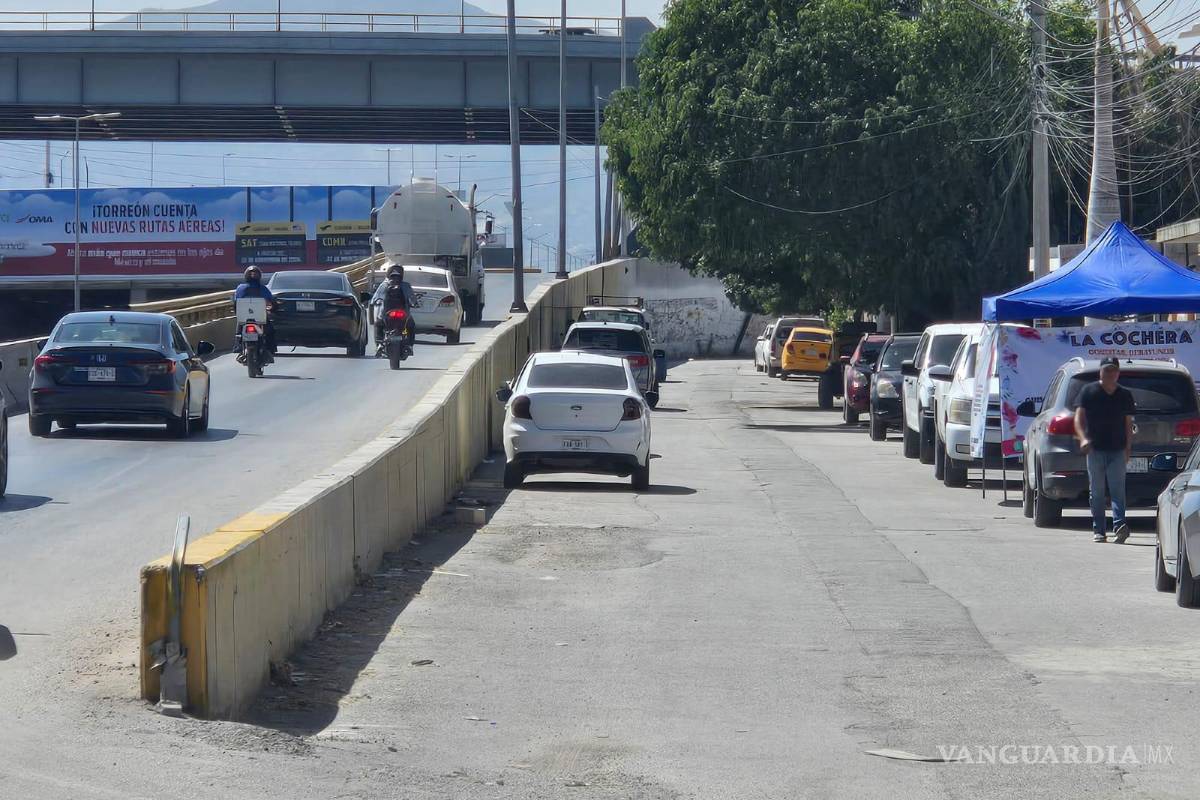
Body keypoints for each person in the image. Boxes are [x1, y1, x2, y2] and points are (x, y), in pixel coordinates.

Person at [1074, 357, 1136, 543]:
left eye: (1113, 370)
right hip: (1095, 449)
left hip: (1117, 450)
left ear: (1118, 373)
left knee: (1118, 490)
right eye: (1106, 370)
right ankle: (1099, 530)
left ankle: (1119, 526)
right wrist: (1083, 438)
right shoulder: (1089, 391)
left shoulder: (1124, 395)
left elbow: (1128, 423)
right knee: (1097, 491)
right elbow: (1078, 419)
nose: (1110, 374)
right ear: (1100, 372)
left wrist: (1128, 447)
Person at [233, 265, 276, 362]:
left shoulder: (240, 288)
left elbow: (235, 302)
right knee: (270, 331)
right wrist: (273, 308)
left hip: (245, 318)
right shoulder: (263, 289)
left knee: (239, 330)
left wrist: (237, 312)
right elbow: (272, 301)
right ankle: (270, 351)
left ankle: (238, 347)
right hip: (260, 318)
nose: (253, 275)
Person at [374, 264, 415, 352]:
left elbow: (376, 298)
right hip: (401, 313)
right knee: (411, 325)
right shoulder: (405, 285)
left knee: (378, 323)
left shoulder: (384, 285)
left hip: (388, 313)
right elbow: (412, 298)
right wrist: (415, 304)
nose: (395, 279)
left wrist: (374, 302)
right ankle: (409, 345)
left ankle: (379, 344)